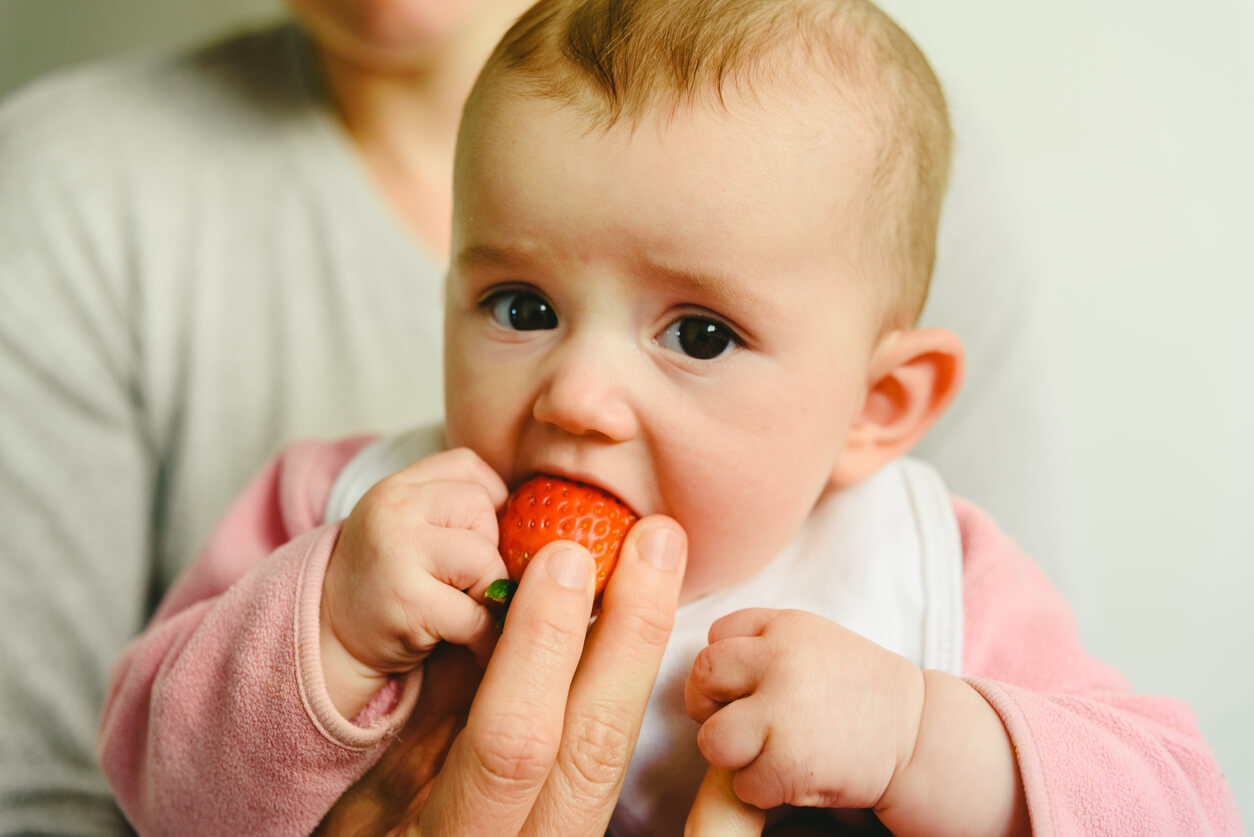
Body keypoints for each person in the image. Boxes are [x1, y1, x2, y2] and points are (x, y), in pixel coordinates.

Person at [96, 0, 1241, 834]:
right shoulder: (341, 517)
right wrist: (324, 633)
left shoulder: (932, 576)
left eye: (698, 335)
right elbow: (149, 783)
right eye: (521, 305)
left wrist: (924, 740)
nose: (579, 398)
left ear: (876, 408)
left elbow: (1182, 805)